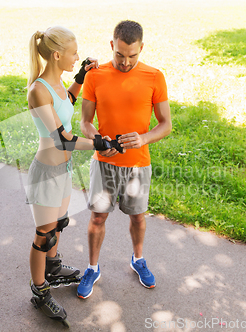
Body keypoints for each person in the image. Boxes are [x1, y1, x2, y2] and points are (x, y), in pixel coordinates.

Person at [26, 26, 124, 326]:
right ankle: (40, 292)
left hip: (63, 170)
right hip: (46, 172)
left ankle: (52, 269)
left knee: (58, 225)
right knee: (44, 236)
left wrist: (80, 76)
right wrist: (100, 142)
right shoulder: (38, 89)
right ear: (57, 55)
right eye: (74, 54)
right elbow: (63, 139)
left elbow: (66, 101)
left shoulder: (57, 85)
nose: (77, 57)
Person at [77, 20, 172, 299]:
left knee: (138, 217)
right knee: (97, 218)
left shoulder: (154, 76)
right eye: (120, 54)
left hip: (138, 164)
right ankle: (93, 267)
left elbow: (165, 124)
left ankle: (138, 259)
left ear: (141, 48)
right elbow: (85, 121)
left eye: (132, 55)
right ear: (112, 46)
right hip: (104, 162)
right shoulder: (95, 75)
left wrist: (144, 138)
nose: (126, 61)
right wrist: (98, 139)